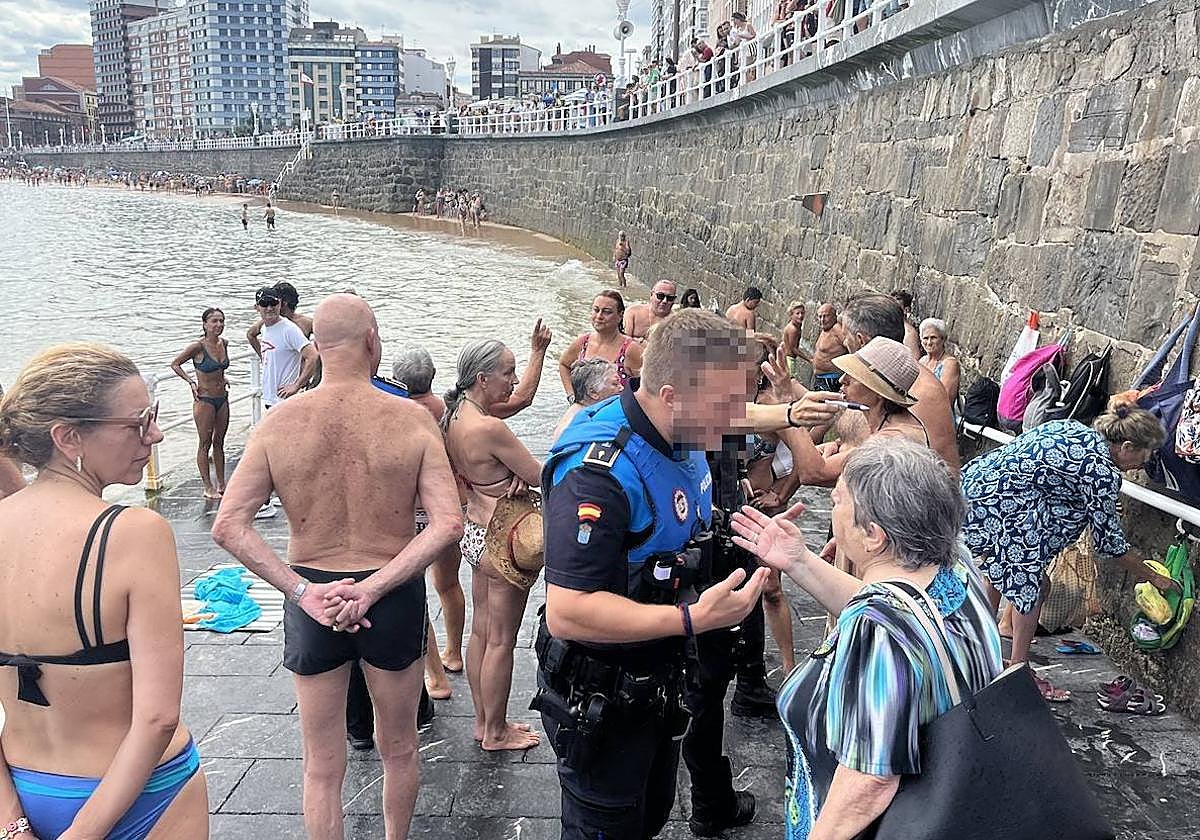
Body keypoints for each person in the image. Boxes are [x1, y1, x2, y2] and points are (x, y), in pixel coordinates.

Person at [212, 294, 463, 839]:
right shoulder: (412, 421)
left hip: (312, 596)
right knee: (398, 748)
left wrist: (301, 593)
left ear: (317, 347)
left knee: (321, 765)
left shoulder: (278, 425)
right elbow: (448, 525)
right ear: (373, 341)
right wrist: (372, 589)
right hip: (390, 592)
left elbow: (228, 525)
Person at [535, 308, 771, 840]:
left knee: (651, 813)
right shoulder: (599, 474)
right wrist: (691, 619)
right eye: (726, 405)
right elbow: (569, 611)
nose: (737, 419)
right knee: (609, 822)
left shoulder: (685, 438)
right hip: (603, 696)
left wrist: (757, 542)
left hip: (661, 685)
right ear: (670, 395)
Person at [731, 438, 1003, 840]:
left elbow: (869, 781)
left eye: (839, 501)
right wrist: (799, 560)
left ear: (874, 536)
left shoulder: (878, 632)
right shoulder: (954, 565)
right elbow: (889, 601)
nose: (832, 509)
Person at [0, 344, 208, 839]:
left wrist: (11, 824)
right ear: (69, 436)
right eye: (138, 423)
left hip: (26, 789)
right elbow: (157, 717)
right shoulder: (133, 533)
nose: (155, 434)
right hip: (144, 796)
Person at [961, 401, 1175, 702]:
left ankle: (978, 650)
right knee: (1034, 587)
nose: (1143, 464)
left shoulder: (1076, 430)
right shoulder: (1100, 472)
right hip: (1005, 508)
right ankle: (1017, 672)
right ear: (1126, 446)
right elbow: (1110, 544)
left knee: (1005, 574)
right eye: (1144, 456)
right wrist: (1156, 578)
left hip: (978, 491)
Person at [443, 340, 546, 751]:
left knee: (482, 632)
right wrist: (521, 473)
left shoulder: (453, 415)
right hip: (502, 539)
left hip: (473, 534)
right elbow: (539, 475)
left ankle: (483, 721)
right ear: (482, 379)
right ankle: (497, 732)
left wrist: (506, 473)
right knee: (502, 638)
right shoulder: (490, 427)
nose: (514, 380)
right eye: (508, 372)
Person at [787, 336, 930, 486]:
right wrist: (837, 446)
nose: (842, 380)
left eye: (853, 376)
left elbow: (813, 473)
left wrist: (789, 410)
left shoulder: (891, 441)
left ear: (878, 391)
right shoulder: (883, 418)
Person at [841, 294, 959, 473]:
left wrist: (788, 408)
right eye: (925, 338)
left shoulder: (915, 389)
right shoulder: (872, 381)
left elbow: (817, 471)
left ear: (861, 339)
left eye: (845, 336)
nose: (843, 342)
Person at [170, 308, 231, 500]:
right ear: (205, 324)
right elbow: (175, 364)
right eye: (214, 321)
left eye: (221, 321)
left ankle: (222, 483)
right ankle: (208, 486)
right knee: (205, 443)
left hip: (222, 397)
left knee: (219, 442)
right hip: (204, 400)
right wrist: (190, 381)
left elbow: (218, 368)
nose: (218, 325)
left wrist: (223, 376)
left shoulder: (224, 343)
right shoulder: (197, 347)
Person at [558, 290, 644, 394]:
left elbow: (651, 384)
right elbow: (563, 364)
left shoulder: (631, 349)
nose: (599, 316)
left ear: (620, 315)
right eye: (596, 310)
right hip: (584, 409)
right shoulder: (582, 342)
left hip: (617, 409)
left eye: (607, 312)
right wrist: (571, 395)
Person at [248, 286, 318, 410]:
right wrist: (264, 358)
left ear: (280, 304)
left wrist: (296, 385)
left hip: (286, 400)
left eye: (273, 303)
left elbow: (312, 355)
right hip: (271, 398)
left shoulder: (289, 329)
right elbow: (250, 334)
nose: (269, 308)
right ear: (257, 307)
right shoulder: (264, 327)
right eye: (264, 304)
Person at [551, 358, 623, 443]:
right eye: (615, 384)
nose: (622, 388)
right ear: (593, 392)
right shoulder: (583, 421)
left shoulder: (580, 408)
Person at [798, 303, 848, 391]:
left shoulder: (836, 329)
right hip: (820, 378)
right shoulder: (825, 330)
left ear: (834, 316)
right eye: (820, 317)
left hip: (831, 379)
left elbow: (849, 345)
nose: (822, 320)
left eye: (826, 316)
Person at [919, 317, 961, 409]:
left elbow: (945, 400)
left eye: (933, 338)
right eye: (925, 338)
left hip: (939, 415)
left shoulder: (950, 364)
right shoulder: (922, 361)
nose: (929, 342)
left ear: (943, 339)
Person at [891, 290, 922, 360]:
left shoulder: (909, 334)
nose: (892, 310)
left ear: (906, 310)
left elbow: (915, 360)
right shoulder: (890, 326)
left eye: (896, 307)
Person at [780, 301, 807, 379]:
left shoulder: (795, 325)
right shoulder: (793, 329)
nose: (800, 316)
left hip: (787, 358)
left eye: (802, 313)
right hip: (789, 360)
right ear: (791, 315)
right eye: (797, 313)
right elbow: (793, 349)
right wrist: (809, 359)